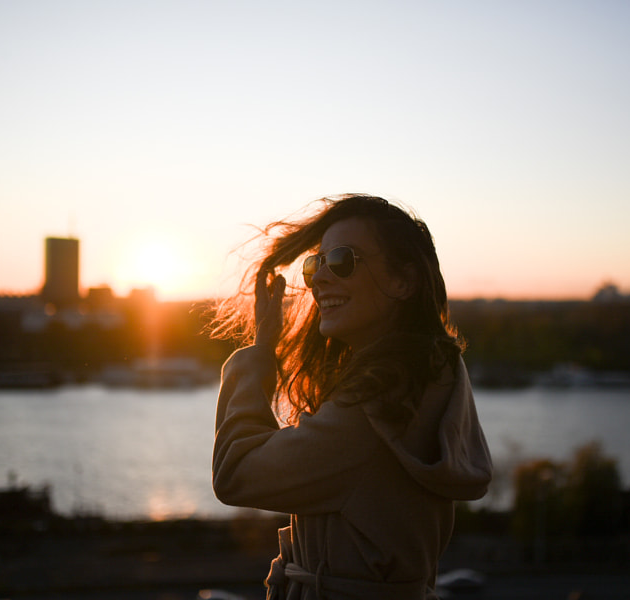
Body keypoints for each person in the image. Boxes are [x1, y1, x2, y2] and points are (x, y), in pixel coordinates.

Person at [211, 194, 493, 600]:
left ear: (403, 281)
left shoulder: (375, 408)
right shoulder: (432, 377)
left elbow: (236, 472)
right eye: (315, 264)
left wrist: (260, 352)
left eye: (342, 260)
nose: (320, 279)